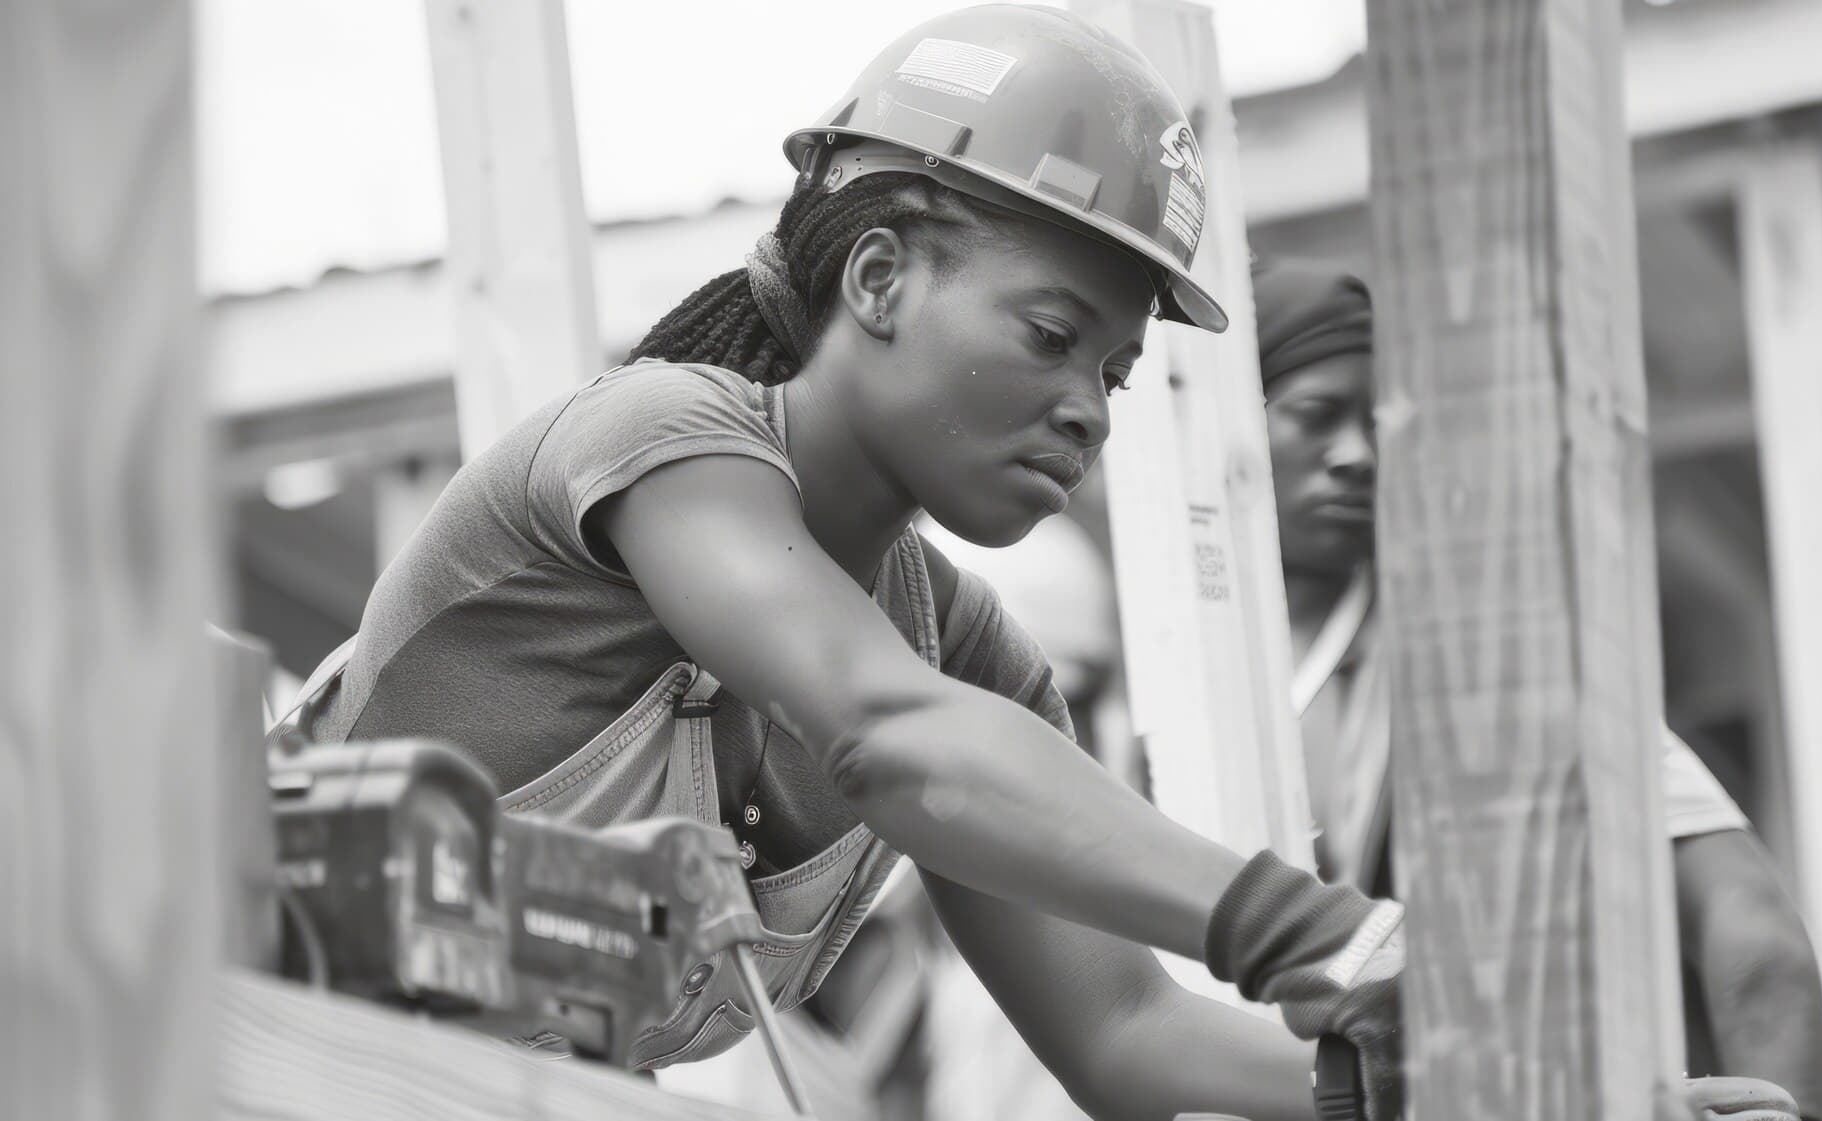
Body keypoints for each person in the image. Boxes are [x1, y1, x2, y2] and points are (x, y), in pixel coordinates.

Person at [279, 8, 1404, 1120]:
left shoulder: (960, 657)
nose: (1086, 412)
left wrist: (1414, 1076)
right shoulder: (656, 441)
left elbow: (1123, 1030)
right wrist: (1307, 929)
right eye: (1051, 337)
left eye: (1111, 374)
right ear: (876, 280)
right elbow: (885, 734)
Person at [1252, 256, 1822, 1121]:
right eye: (1315, 415)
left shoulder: (1483, 664)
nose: (1357, 455)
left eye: (1377, 423)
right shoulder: (1119, 667)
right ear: (1225, 425)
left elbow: (1755, 932)